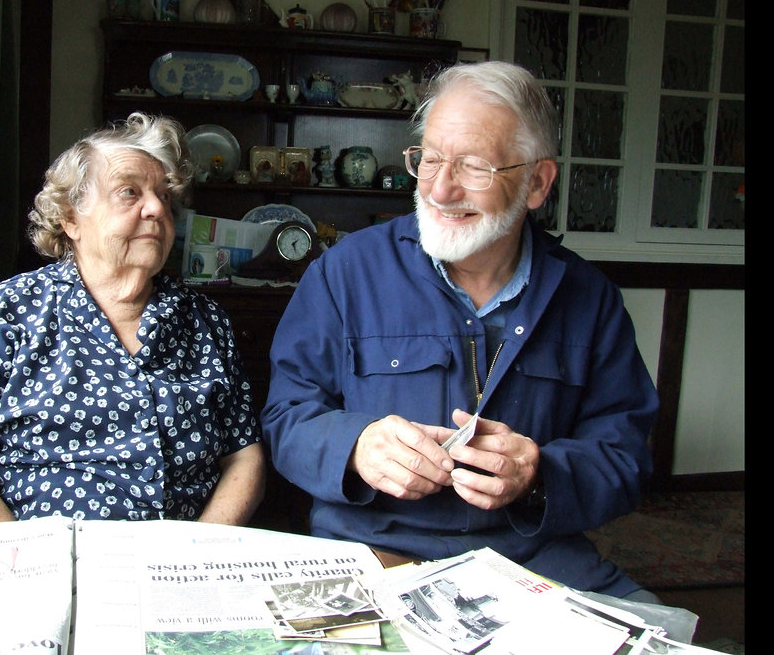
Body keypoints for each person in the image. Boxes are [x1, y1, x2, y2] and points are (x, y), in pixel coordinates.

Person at [260, 61, 659, 601]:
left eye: (473, 167)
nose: (440, 189)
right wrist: (355, 446)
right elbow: (285, 418)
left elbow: (626, 456)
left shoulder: (589, 299)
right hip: (371, 550)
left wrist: (541, 475)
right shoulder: (344, 274)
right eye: (429, 159)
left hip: (531, 561)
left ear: (537, 183)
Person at [0, 112, 265, 524]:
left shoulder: (204, 319)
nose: (157, 208)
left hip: (181, 560)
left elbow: (244, 458)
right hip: (43, 557)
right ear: (70, 219)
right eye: (129, 192)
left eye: (164, 196)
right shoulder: (14, 309)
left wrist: (200, 548)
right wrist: (19, 558)